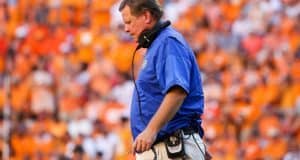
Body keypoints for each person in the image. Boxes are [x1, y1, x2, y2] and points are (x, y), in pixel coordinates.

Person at [119, 0, 211, 159]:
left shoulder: (167, 42)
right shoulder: (157, 45)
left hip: (171, 147)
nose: (126, 29)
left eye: (129, 22)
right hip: (167, 148)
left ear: (146, 16)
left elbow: (177, 91)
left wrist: (151, 130)